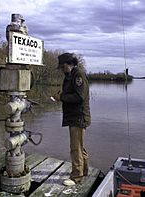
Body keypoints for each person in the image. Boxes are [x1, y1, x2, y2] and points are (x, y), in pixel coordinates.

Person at [52, 52, 91, 186]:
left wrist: (61, 98)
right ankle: (84, 171)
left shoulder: (78, 75)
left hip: (78, 117)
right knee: (79, 146)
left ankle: (76, 177)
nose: (62, 70)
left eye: (63, 67)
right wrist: (62, 95)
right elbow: (72, 94)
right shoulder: (70, 76)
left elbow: (80, 97)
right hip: (74, 117)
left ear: (70, 64)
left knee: (75, 148)